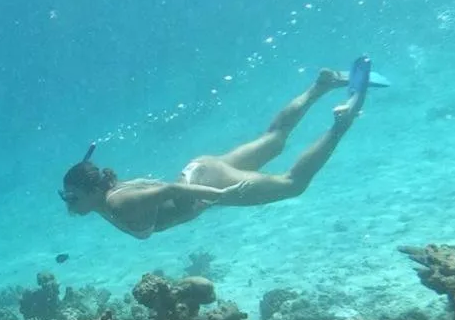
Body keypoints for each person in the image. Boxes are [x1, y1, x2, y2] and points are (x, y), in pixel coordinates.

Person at [59, 59, 374, 239]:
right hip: (202, 169)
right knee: (275, 138)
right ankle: (320, 85)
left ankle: (340, 124)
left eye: (72, 197)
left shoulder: (119, 203)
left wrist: (221, 196)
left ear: (92, 191)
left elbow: (169, 189)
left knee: (293, 185)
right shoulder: (107, 197)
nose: (69, 205)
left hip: (210, 183)